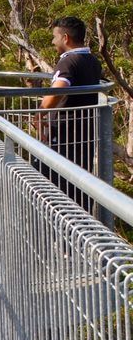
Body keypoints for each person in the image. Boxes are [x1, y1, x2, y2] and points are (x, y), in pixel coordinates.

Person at [40, 16, 104, 212]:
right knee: (78, 189)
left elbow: (58, 90)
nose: (53, 42)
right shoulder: (92, 60)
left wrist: (39, 114)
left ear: (65, 38)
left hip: (64, 136)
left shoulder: (68, 62)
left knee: (53, 189)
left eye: (54, 37)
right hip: (84, 136)